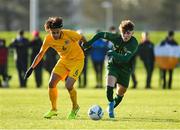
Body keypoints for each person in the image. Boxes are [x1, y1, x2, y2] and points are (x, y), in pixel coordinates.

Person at [24, 17, 86, 119]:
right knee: (51, 83)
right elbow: (40, 54)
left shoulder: (69, 34)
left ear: (60, 30)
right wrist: (32, 67)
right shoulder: (48, 39)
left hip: (77, 61)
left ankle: (75, 108)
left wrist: (86, 44)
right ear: (49, 31)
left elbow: (81, 37)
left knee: (69, 85)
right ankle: (53, 109)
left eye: (57, 32)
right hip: (64, 61)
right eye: (53, 33)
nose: (56, 35)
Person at [83, 20, 138, 118]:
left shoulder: (133, 43)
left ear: (132, 33)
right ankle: (111, 105)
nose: (126, 35)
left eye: (128, 33)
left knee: (121, 92)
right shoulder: (115, 37)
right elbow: (100, 34)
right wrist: (89, 43)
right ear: (120, 32)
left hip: (125, 69)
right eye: (123, 33)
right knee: (109, 87)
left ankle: (111, 106)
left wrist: (113, 53)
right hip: (113, 65)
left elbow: (126, 58)